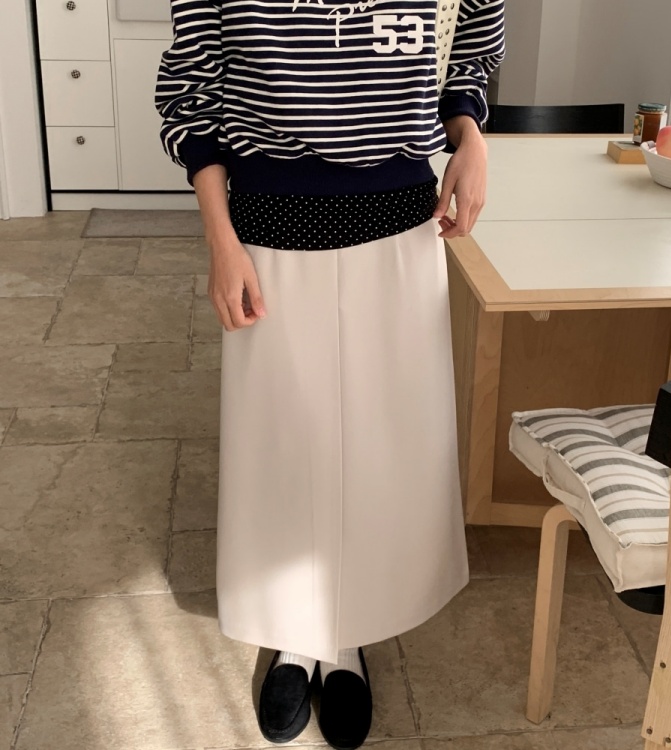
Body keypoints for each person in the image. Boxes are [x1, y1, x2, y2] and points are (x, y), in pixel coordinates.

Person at [155, 1, 505, 747]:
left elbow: (474, 42)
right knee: (284, 442)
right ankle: (295, 638)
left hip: (400, 220)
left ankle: (347, 637)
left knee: (382, 442)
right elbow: (193, 87)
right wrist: (220, 240)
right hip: (270, 222)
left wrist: (471, 135)